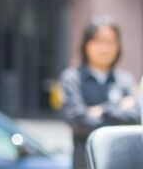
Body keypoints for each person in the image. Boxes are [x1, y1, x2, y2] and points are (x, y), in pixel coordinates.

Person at [59, 15, 140, 169]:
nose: (105, 48)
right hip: (85, 163)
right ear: (87, 44)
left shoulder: (125, 80)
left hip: (122, 162)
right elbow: (78, 122)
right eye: (99, 41)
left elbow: (135, 119)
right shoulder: (72, 78)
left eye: (110, 42)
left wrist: (100, 110)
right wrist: (117, 108)